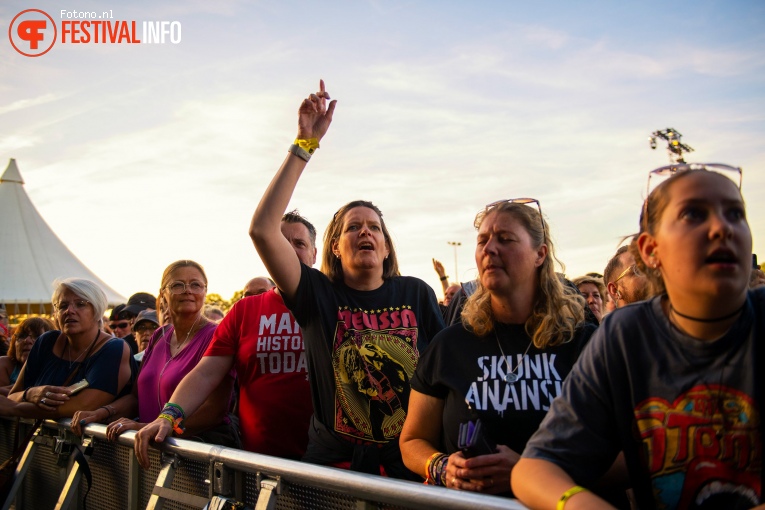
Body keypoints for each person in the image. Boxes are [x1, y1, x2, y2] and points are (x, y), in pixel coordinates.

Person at [512, 167, 762, 509]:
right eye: (693, 214)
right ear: (650, 250)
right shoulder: (625, 336)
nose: (722, 228)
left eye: (736, 213)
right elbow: (534, 470)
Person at [248, 80, 445, 479]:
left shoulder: (416, 293)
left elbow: (441, 379)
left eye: (375, 227)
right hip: (334, 471)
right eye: (353, 227)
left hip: (407, 469)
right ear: (335, 247)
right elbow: (263, 229)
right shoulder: (316, 294)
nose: (366, 232)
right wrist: (304, 144)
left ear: (387, 247)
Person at [400, 199, 596, 495]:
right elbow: (412, 440)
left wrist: (528, 473)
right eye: (482, 241)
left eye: (505, 239)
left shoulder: (584, 344)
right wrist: (441, 467)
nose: (489, 249)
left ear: (540, 254)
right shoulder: (450, 344)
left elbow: (626, 457)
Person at [134, 212, 318, 468]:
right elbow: (206, 373)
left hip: (327, 463)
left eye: (298, 244)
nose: (287, 251)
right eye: (280, 243)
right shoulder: (243, 311)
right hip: (258, 461)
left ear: (315, 253)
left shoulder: (333, 304)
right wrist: (168, 416)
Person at [72, 261, 236, 450]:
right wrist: (100, 413)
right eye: (177, 285)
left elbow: (214, 411)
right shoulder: (159, 335)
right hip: (149, 449)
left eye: (195, 284)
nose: (187, 290)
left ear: (205, 292)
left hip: (192, 455)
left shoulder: (217, 336)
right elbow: (136, 397)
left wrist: (150, 428)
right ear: (163, 295)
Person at [7, 278, 135, 419]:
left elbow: (82, 406)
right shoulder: (46, 341)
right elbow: (13, 395)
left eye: (80, 304)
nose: (69, 311)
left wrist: (15, 408)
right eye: (62, 306)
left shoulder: (113, 349)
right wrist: (30, 394)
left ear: (97, 310)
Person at [0, 317, 55, 395]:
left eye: (37, 336)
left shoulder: (58, 368)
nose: (27, 340)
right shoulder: (5, 364)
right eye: (21, 336)